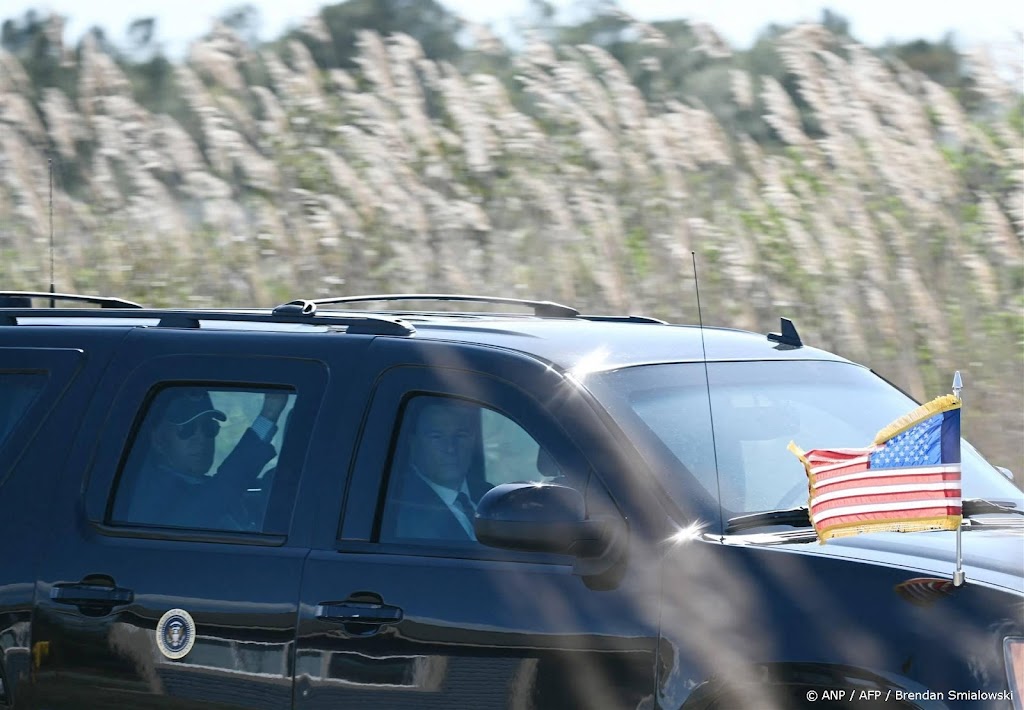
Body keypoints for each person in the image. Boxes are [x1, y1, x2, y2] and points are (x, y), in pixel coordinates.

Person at [121, 388, 288, 530]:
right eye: (187, 429)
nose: (201, 438)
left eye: (209, 428)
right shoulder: (148, 493)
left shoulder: (201, 485)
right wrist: (268, 415)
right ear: (158, 440)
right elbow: (218, 493)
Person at [391, 398, 492, 542]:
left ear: (473, 441)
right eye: (436, 437)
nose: (450, 448)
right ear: (413, 444)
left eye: (460, 435)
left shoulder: (489, 495)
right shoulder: (398, 508)